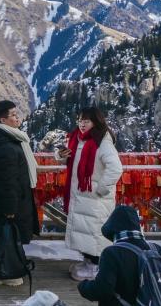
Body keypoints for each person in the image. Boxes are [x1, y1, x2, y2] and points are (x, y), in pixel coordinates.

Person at [0, 100, 40, 288]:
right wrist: (11, 209)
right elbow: (8, 182)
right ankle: (7, 274)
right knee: (10, 238)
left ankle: (2, 272)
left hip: (3, 199)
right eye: (13, 115)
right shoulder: (7, 147)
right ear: (3, 120)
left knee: (4, 237)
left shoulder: (1, 138)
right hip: (11, 201)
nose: (17, 117)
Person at [58, 107, 123, 281]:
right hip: (81, 194)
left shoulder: (103, 142)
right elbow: (72, 160)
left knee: (95, 233)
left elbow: (116, 168)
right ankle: (87, 262)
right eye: (80, 120)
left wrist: (101, 189)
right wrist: (62, 155)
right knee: (85, 232)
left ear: (96, 121)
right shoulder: (78, 140)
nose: (82, 124)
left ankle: (96, 267)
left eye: (86, 121)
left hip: (95, 198)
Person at [77, 204, 161, 305]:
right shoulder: (156, 249)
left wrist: (83, 286)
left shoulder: (111, 253)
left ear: (113, 231)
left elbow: (102, 290)